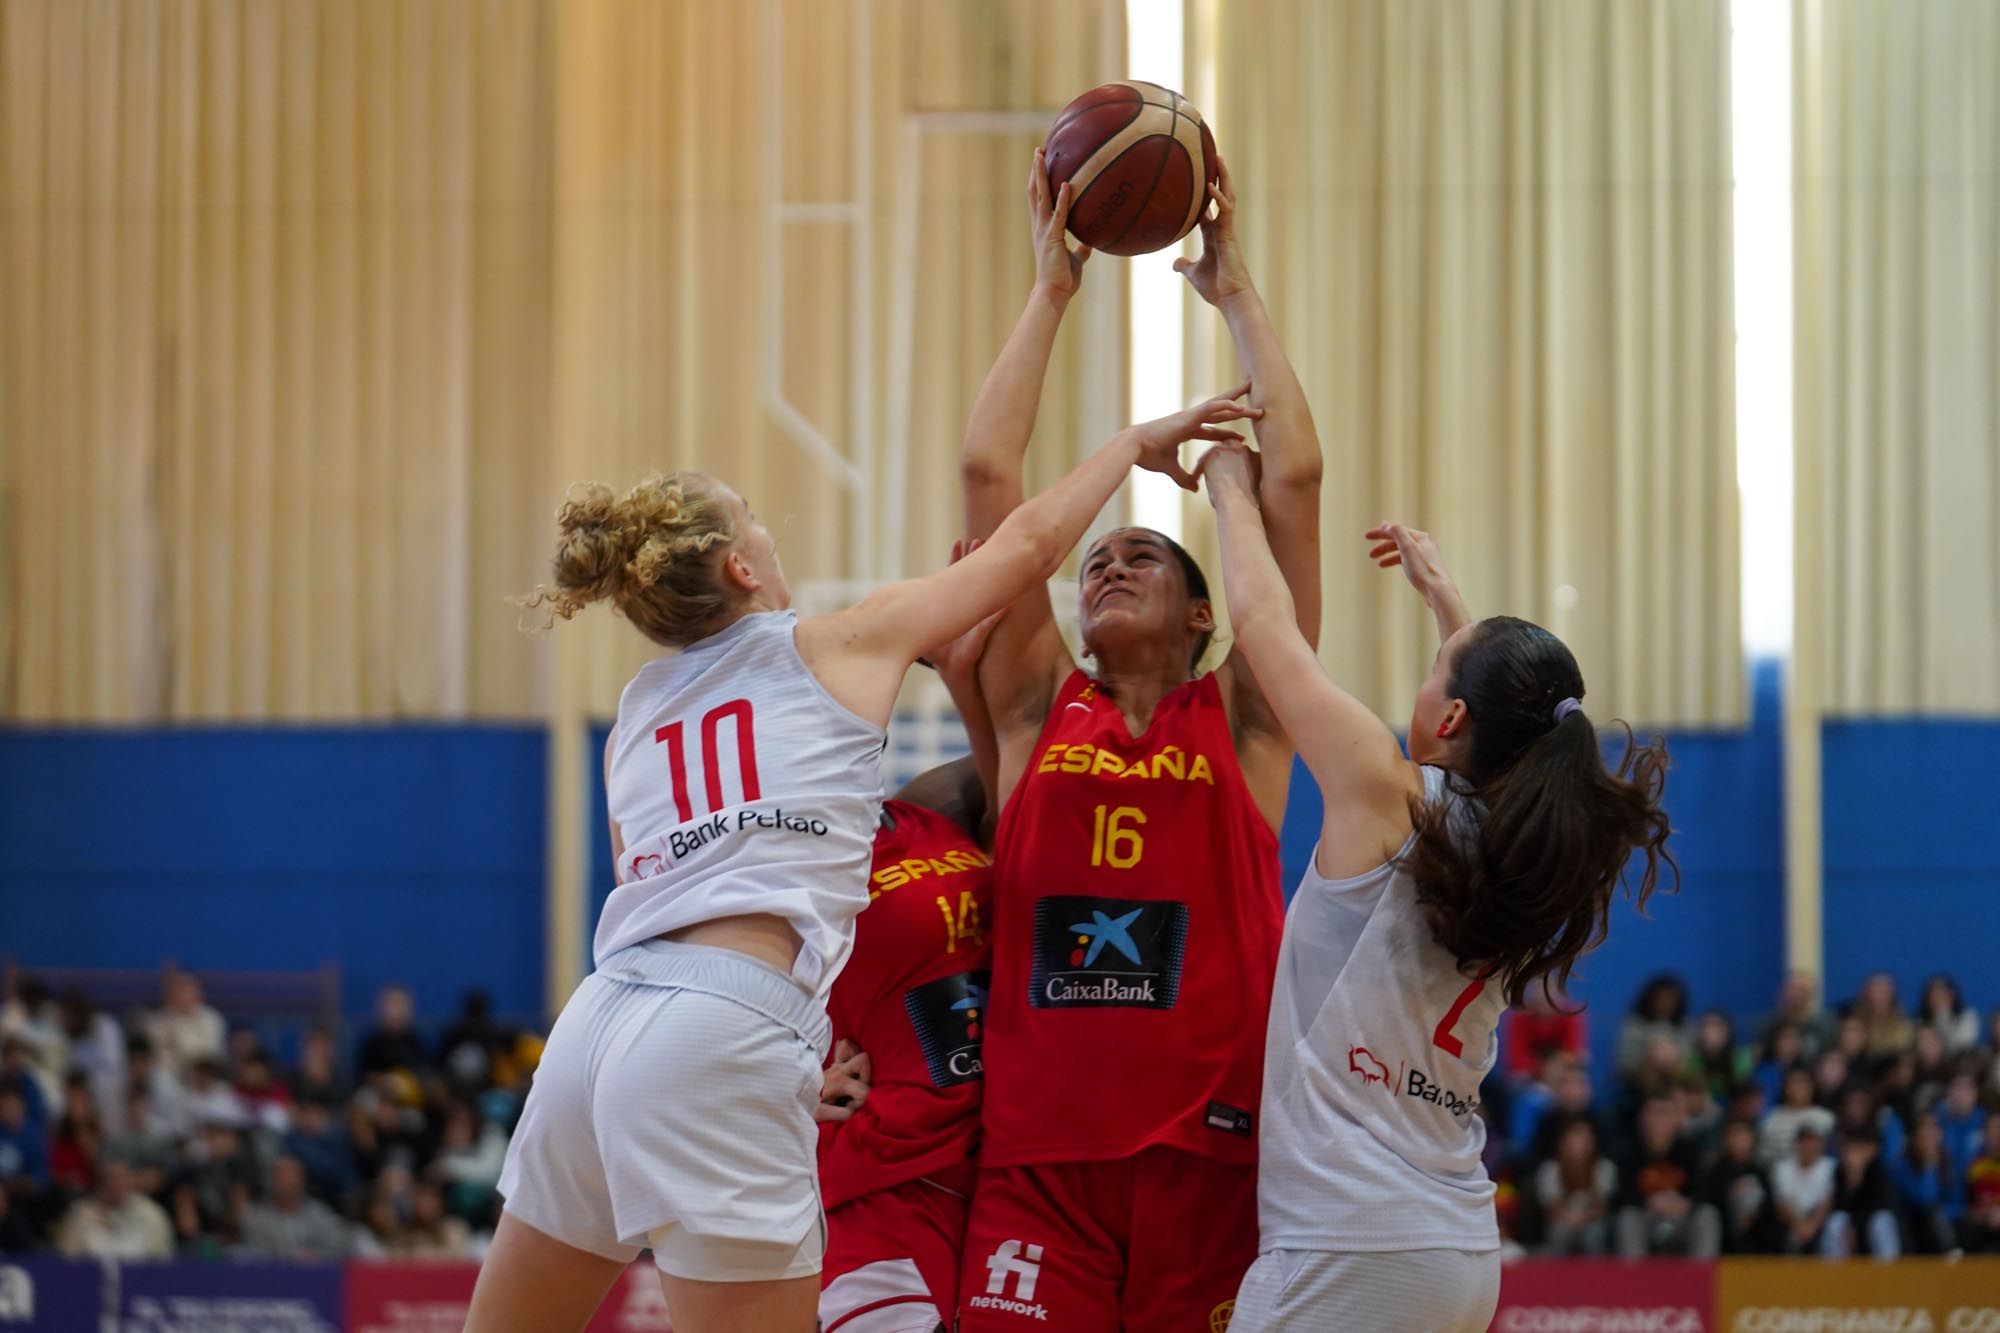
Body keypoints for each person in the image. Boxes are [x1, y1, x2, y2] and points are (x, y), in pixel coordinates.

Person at [466, 395, 1247, 1333]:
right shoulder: (836, 642)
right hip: (722, 1025)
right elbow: (1026, 546)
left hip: (596, 1021)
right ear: (741, 565)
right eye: (756, 516)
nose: (769, 528)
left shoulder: (637, 708)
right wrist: (1130, 441)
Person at [955, 149, 1323, 1332]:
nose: (1106, 559)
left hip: (1212, 1155)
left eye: (1144, 556)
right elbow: (985, 472)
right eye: (1094, 557)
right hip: (1036, 1163)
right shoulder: (1030, 708)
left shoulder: (1248, 715)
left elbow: (1297, 479)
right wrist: (1050, 287)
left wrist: (1234, 294)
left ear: (1206, 613)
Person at [1196, 460, 1673, 1332]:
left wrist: (1227, 486)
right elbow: (1506, 729)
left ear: (1451, 718)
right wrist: (1449, 607)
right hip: (1458, 1247)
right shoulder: (1534, 852)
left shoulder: (1388, 792)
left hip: (1349, 1245)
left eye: (1435, 673)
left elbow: (1266, 628)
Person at [817, 582, 1001, 1333]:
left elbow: (1034, 749)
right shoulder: (774, 861)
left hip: (1006, 1166)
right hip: (887, 1182)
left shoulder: (931, 809)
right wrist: (790, 1083)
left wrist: (965, 669)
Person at [1614, 1092, 1719, 1258]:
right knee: (1627, 1218)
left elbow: (1704, 1190)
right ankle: (1633, 1281)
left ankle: (1699, 1279)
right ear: (1642, 1118)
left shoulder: (1690, 1150)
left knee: (1707, 1215)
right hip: (1646, 1218)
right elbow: (1621, 1195)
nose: (1657, 1120)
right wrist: (1649, 1202)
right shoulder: (1628, 1151)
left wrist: (1685, 1204)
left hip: (1681, 1219)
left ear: (1677, 1119)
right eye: (1652, 1112)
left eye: (1664, 1113)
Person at [55, 1156, 172, 1260]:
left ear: (130, 1180)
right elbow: (67, 1260)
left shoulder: (151, 1214)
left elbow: (162, 1260)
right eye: (109, 1177)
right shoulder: (79, 1215)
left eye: (121, 1178)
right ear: (99, 1181)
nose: (114, 1183)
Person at [241, 1154, 355, 1261]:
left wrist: (317, 1255)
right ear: (271, 1181)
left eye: (291, 1182)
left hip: (314, 1276)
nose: (285, 1187)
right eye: (280, 1180)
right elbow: (255, 1255)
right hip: (271, 1278)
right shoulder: (256, 1216)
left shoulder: (319, 1214)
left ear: (302, 1181)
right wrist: (289, 1259)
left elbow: (339, 1247)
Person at [1535, 1119, 1618, 1257]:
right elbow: (1552, 1207)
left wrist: (1582, 1218)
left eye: (1584, 1141)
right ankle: (1555, 1276)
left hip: (1592, 1220)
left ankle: (1596, 1275)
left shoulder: (1604, 1168)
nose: (1578, 1146)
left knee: (1594, 1233)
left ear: (1592, 1143)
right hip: (1562, 1220)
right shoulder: (1550, 1169)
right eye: (1573, 1140)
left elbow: (1602, 1206)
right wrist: (1571, 1218)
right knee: (1559, 1231)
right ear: (1563, 1143)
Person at [1700, 1118, 1776, 1253]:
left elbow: (1770, 1200)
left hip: (1756, 1229)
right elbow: (1710, 1200)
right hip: (1726, 1231)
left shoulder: (1759, 1169)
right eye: (1734, 1135)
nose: (1739, 1140)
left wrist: (1756, 1214)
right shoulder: (1717, 1170)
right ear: (1727, 1140)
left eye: (1743, 1135)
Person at [1823, 1127, 1900, 1257]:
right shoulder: (1839, 1172)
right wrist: (1852, 1181)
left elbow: (1878, 1206)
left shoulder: (1878, 1172)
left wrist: (1856, 1224)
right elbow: (1838, 1207)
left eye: (1857, 1150)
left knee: (1881, 1221)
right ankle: (1836, 1271)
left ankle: (1888, 1269)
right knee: (1835, 1222)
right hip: (1851, 1230)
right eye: (1848, 1150)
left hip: (1869, 1225)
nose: (1852, 1155)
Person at [1892, 1113, 1962, 1254]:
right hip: (1914, 1222)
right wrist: (1929, 1165)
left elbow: (1958, 1200)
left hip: (1944, 1220)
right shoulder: (1902, 1166)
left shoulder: (1948, 1164)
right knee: (1930, 1214)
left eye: (1933, 1132)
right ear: (1914, 1138)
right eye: (1924, 1134)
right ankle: (1950, 1252)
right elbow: (1923, 1199)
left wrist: (1946, 1213)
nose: (1930, 1138)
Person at [148, 970, 226, 1082]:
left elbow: (211, 1053)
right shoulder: (159, 1021)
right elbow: (157, 1057)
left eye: (187, 991)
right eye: (178, 991)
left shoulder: (212, 1019)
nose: (182, 996)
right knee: (159, 1077)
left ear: (197, 994)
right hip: (173, 1076)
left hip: (205, 1075)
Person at [1772, 1123, 1836, 1254]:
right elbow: (1783, 1203)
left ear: (1820, 1144)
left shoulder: (1830, 1167)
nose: (1808, 1147)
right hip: (1793, 1218)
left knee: (1833, 1226)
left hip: (1819, 1218)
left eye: (1812, 1142)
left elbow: (1828, 1201)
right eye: (1804, 1142)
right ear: (1797, 1144)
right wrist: (1799, 1225)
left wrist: (1812, 1225)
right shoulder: (1783, 1168)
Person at [1617, 974, 1692, 1083]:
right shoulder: (1633, 1025)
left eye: (1671, 998)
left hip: (1680, 1083)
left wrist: (1672, 1057)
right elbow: (1624, 1064)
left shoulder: (1687, 1026)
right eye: (1662, 997)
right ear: (1651, 998)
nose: (1666, 1003)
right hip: (1638, 1085)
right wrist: (1651, 1057)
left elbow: (1692, 1062)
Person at [1919, 975, 1981, 1056]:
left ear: (1952, 995)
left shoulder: (1968, 1017)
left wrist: (1943, 1015)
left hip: (1960, 1062)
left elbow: (1964, 1045)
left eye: (1942, 994)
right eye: (1934, 995)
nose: (1938, 998)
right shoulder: (1920, 1023)